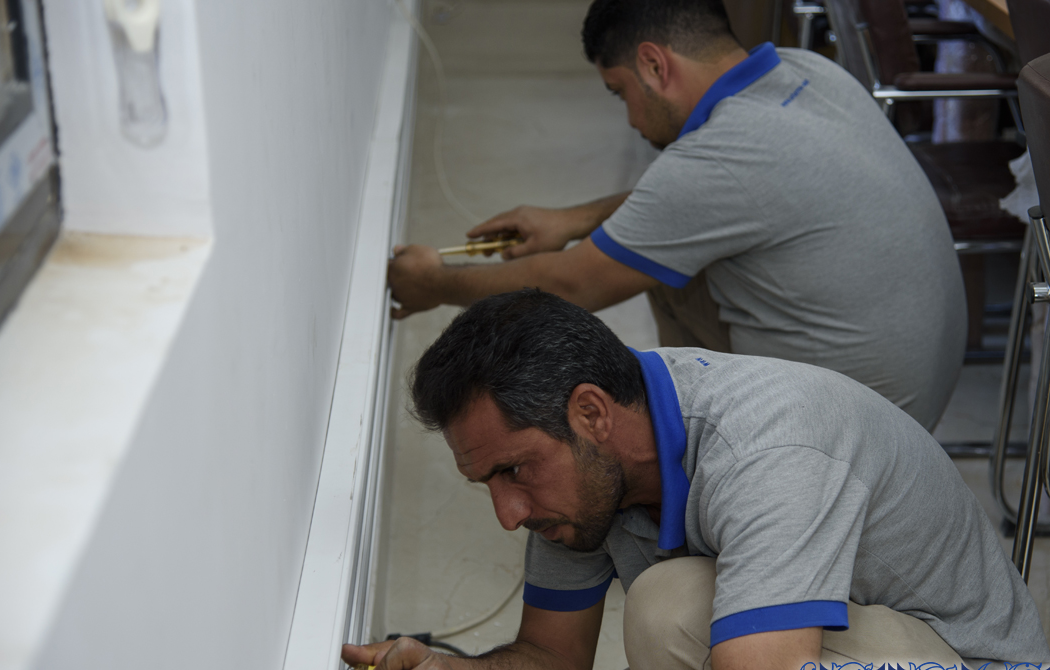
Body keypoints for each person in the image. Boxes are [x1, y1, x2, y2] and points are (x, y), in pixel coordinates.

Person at [342, 290, 1050, 670]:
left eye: (514, 471)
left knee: (668, 612)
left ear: (591, 414)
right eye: (488, 483)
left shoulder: (768, 451)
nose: (507, 512)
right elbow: (550, 667)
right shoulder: (583, 478)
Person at [385, 0, 967, 431]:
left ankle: (705, 452)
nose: (631, 119)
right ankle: (693, 431)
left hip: (848, 430)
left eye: (621, 93)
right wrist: (572, 220)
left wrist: (434, 283)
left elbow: (573, 284)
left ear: (654, 65)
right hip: (912, 396)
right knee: (666, 263)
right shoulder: (806, 73)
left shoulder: (721, 158)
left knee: (655, 282)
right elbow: (706, 201)